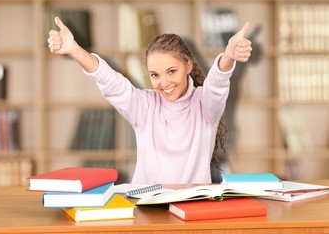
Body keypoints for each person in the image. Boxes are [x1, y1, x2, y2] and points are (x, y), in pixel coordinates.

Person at [48, 16, 252, 185]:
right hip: (146, 208)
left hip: (193, 209)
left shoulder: (205, 105)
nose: (164, 83)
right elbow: (111, 82)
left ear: (188, 66)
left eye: (172, 71)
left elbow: (217, 85)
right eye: (155, 75)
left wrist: (228, 56)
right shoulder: (144, 106)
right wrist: (74, 50)